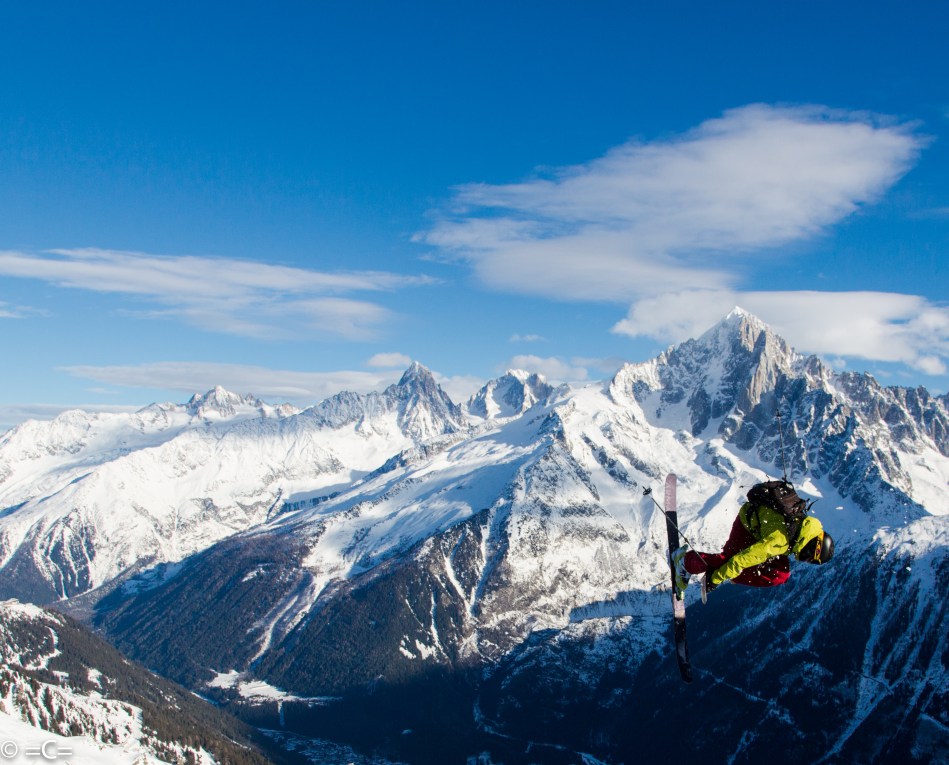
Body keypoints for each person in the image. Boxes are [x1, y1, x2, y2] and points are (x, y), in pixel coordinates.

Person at [672, 493, 835, 596]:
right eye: (808, 558)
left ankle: (725, 572)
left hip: (759, 525)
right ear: (811, 548)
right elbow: (740, 560)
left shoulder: (802, 529)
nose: (804, 560)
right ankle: (686, 562)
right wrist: (715, 579)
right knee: (727, 561)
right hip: (747, 525)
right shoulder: (780, 541)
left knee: (781, 573)